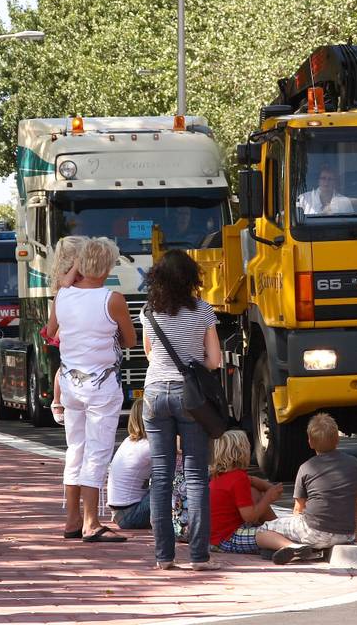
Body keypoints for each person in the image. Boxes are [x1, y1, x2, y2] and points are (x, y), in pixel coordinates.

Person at [45, 235, 137, 543]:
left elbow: (52, 330)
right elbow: (130, 341)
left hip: (71, 382)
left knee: (76, 449)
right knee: (98, 452)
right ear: (108, 265)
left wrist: (70, 277)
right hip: (102, 383)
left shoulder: (63, 296)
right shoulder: (113, 299)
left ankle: (71, 520)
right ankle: (91, 522)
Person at [140, 249, 222, 571]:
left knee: (160, 477)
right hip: (191, 399)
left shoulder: (149, 312)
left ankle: (164, 556)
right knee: (196, 475)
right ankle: (199, 557)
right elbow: (213, 361)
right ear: (191, 278)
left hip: (155, 394)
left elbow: (149, 353)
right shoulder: (203, 311)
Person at [257, 412, 357, 565]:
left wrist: (294, 532)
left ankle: (293, 546)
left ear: (310, 442)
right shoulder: (354, 463)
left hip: (313, 531)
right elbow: (356, 500)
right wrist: (355, 534)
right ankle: (300, 547)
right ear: (337, 439)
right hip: (346, 535)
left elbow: (298, 509)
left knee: (262, 531)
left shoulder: (306, 467)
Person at [208, 429, 280, 555]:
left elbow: (256, 484)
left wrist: (263, 487)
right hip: (227, 538)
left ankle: (279, 531)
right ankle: (291, 546)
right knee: (264, 535)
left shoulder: (219, 476)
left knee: (254, 492)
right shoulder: (238, 478)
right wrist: (268, 497)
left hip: (215, 538)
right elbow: (250, 517)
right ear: (242, 452)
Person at [107, 400, 153, 530]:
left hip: (119, 513)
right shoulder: (148, 446)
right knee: (169, 485)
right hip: (131, 515)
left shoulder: (129, 441)